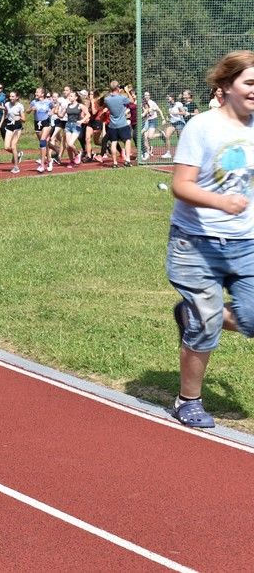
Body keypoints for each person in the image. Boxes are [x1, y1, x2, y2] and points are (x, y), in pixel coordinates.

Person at [166, 50, 254, 429]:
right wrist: (221, 201)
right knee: (206, 325)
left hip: (246, 244)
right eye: (250, 83)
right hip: (196, 243)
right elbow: (180, 185)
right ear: (227, 85)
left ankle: (189, 314)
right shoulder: (201, 127)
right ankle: (189, 400)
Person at [103, 80, 133, 167]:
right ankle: (127, 160)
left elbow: (109, 98)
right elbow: (131, 100)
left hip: (112, 125)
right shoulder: (122, 98)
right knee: (127, 141)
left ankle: (115, 162)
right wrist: (126, 91)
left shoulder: (107, 99)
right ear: (117, 88)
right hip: (122, 124)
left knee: (114, 142)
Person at [29, 88, 54, 172]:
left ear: (42, 94)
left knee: (42, 141)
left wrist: (51, 112)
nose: (36, 93)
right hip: (37, 123)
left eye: (38, 92)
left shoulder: (48, 102)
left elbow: (54, 107)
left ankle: (42, 165)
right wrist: (31, 109)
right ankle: (50, 160)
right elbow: (27, 111)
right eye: (35, 91)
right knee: (44, 144)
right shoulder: (33, 102)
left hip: (46, 122)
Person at [2, 90, 26, 173]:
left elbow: (24, 119)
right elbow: (5, 114)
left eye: (13, 96)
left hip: (17, 127)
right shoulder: (7, 105)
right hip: (9, 126)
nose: (11, 98)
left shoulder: (20, 106)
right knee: (6, 147)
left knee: (13, 146)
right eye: (10, 96)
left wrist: (18, 117)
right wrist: (0, 124)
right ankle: (18, 153)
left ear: (17, 97)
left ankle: (16, 167)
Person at [62, 90, 86, 167]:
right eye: (69, 96)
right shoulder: (68, 106)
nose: (69, 97)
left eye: (71, 96)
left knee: (70, 144)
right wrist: (56, 111)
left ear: (76, 97)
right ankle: (72, 161)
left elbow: (88, 114)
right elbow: (61, 115)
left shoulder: (80, 105)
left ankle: (77, 153)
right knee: (67, 146)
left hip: (76, 126)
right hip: (68, 126)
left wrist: (82, 121)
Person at [140, 91, 166, 161]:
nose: (146, 96)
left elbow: (159, 110)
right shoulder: (142, 103)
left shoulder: (152, 103)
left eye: (148, 95)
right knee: (145, 137)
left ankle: (160, 134)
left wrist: (163, 119)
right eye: (145, 95)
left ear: (150, 96)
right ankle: (148, 152)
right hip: (146, 120)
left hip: (153, 120)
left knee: (150, 136)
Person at [162, 93, 187, 159]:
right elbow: (169, 115)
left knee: (180, 139)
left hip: (180, 122)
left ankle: (184, 153)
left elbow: (184, 112)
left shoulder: (178, 104)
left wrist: (175, 113)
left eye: (169, 97)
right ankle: (168, 153)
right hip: (172, 123)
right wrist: (167, 119)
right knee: (167, 135)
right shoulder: (168, 105)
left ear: (172, 98)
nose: (167, 98)